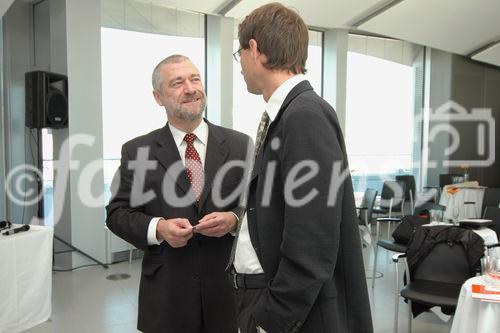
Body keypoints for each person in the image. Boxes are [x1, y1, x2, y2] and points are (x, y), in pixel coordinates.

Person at [230, 3, 373, 333]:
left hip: (292, 316)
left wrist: (271, 319)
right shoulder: (287, 114)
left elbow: (313, 241)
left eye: (240, 56)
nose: (241, 68)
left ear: (255, 49)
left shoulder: (304, 115)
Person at [106, 54, 250, 333]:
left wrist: (233, 220)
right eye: (177, 82)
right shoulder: (137, 151)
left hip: (226, 296)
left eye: (195, 79)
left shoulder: (240, 145)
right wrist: (157, 228)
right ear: (158, 97)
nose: (190, 88)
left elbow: (256, 207)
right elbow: (117, 213)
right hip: (166, 297)